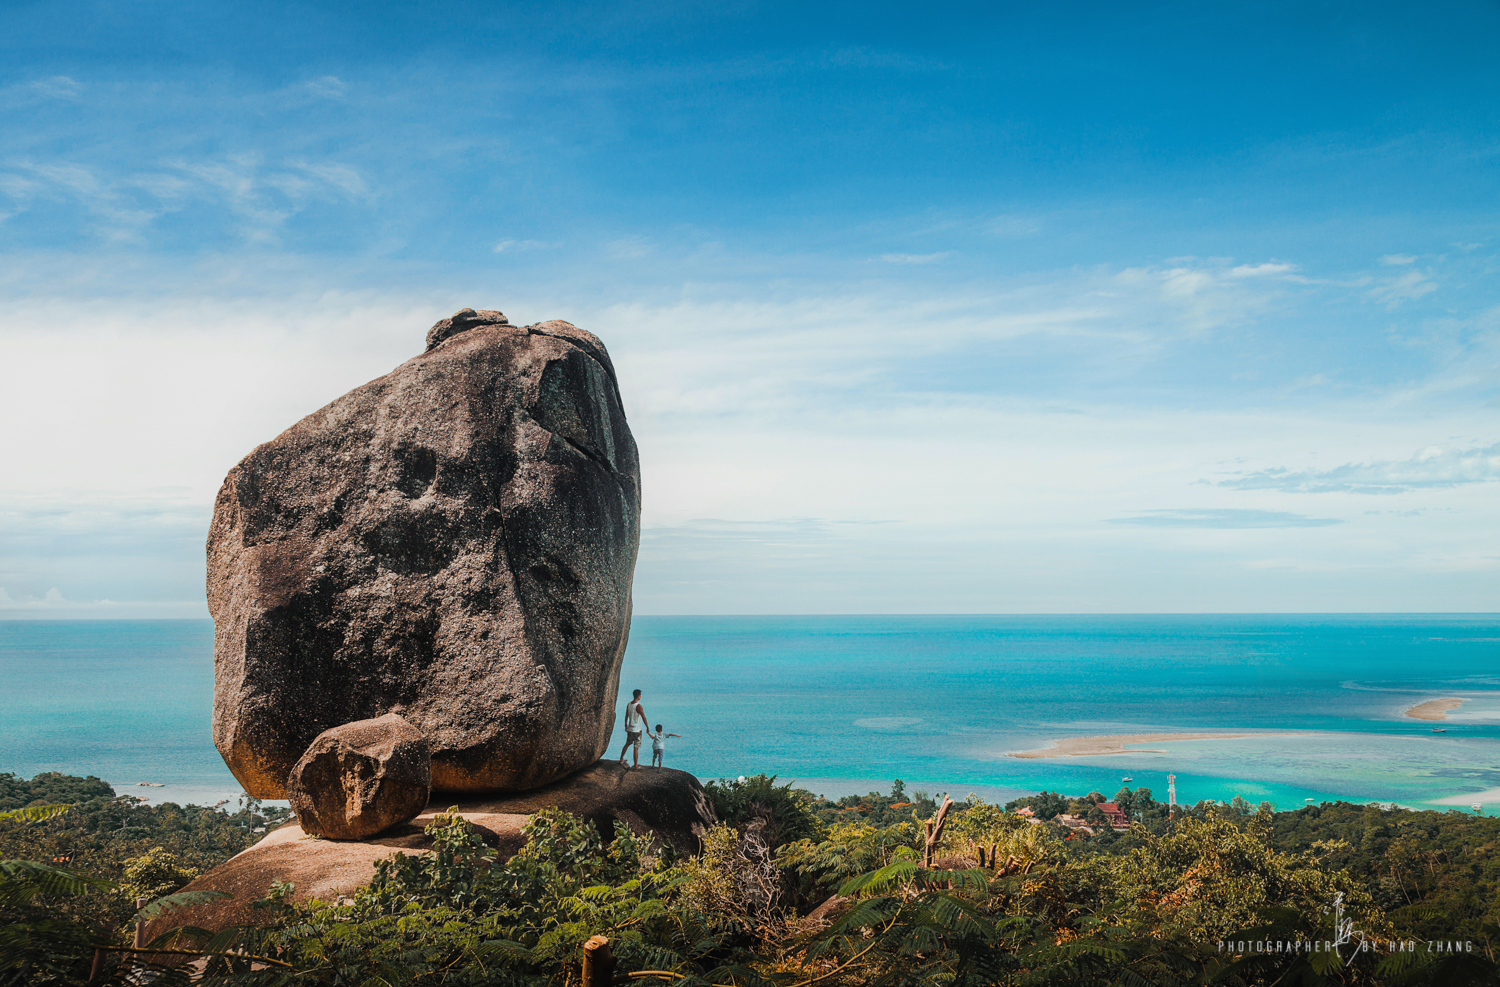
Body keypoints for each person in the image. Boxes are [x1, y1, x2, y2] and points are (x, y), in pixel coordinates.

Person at [618, 689, 647, 768]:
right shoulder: (638, 706)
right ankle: (636, 765)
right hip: (637, 730)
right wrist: (647, 727)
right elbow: (644, 717)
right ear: (638, 696)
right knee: (636, 747)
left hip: (630, 729)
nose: (641, 696)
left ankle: (621, 759)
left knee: (627, 744)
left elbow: (626, 715)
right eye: (640, 695)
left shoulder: (629, 704)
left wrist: (625, 725)